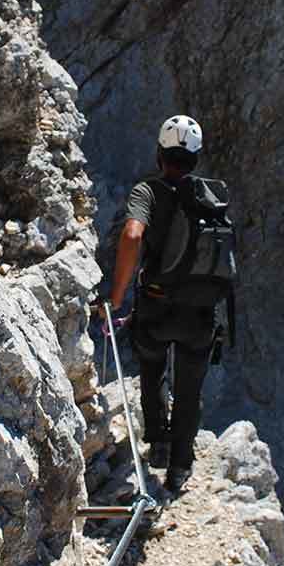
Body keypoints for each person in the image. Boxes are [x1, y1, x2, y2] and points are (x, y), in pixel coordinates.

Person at [101, 115, 231, 494]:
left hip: (156, 306)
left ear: (159, 153)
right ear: (196, 157)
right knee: (190, 391)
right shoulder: (212, 195)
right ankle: (179, 467)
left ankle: (157, 442)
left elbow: (131, 234)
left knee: (152, 369)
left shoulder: (148, 192)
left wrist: (117, 295)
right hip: (201, 312)